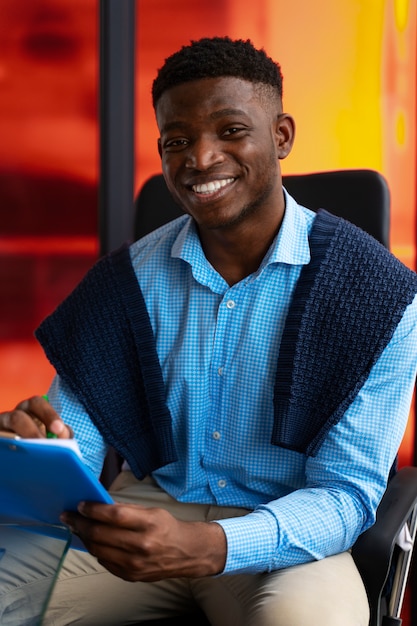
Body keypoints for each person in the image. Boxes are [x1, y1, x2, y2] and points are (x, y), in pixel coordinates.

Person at [1, 36, 417, 626]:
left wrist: (213, 546)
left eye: (229, 130)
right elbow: (78, 443)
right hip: (148, 507)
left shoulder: (378, 294)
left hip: (285, 528)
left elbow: (346, 496)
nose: (200, 158)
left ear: (282, 136)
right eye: (177, 141)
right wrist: (39, 452)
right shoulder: (124, 282)